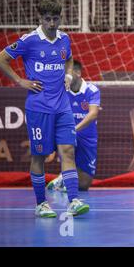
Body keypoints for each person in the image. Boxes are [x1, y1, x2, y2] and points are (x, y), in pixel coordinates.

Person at [0, 0, 89, 218]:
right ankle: (41, 204)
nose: (52, 23)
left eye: (55, 19)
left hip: (63, 106)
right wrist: (20, 81)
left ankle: (73, 200)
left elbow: (69, 57)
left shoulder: (65, 38)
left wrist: (67, 74)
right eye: (47, 19)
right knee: (39, 156)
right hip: (39, 107)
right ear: (40, 19)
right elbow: (0, 59)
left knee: (68, 151)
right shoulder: (29, 41)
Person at [47, 60, 100, 192]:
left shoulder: (91, 90)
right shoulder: (62, 90)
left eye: (66, 73)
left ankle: (63, 179)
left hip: (87, 137)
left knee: (83, 185)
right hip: (67, 136)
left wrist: (74, 129)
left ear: (77, 73)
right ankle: (67, 181)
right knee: (67, 149)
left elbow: (93, 114)